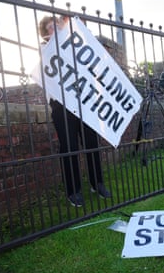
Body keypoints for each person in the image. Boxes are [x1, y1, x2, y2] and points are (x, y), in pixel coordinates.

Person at [38, 16, 111, 207]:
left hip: (84, 103)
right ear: (45, 34)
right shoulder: (44, 50)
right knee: (69, 147)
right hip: (61, 105)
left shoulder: (76, 48)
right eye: (51, 28)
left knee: (92, 142)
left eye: (59, 26)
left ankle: (98, 183)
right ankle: (74, 190)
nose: (57, 30)